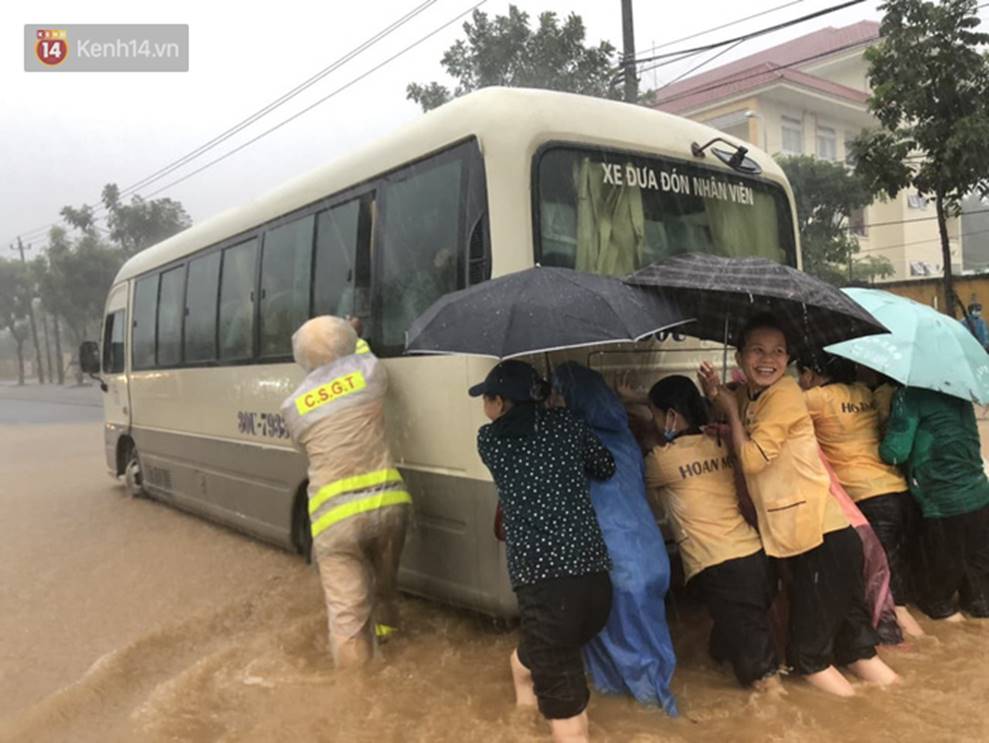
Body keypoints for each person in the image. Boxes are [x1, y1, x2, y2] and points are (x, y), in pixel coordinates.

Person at [698, 314, 898, 697]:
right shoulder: (755, 396)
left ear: (789, 358)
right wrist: (718, 397)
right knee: (855, 651)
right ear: (739, 357)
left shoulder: (786, 394)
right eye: (757, 350)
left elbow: (753, 460)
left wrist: (727, 406)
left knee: (809, 660)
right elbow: (735, 404)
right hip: (831, 538)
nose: (767, 359)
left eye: (778, 352)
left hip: (821, 543)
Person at [472, 360, 614, 743]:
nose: (484, 407)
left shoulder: (489, 440)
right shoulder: (568, 425)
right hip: (595, 579)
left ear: (500, 403)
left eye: (487, 399)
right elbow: (605, 467)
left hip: (543, 585)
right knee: (541, 657)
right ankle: (522, 717)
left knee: (564, 702)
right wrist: (560, 413)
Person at [281, 316, 412, 667]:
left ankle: (359, 701)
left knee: (348, 622)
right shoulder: (369, 374)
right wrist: (355, 332)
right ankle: (393, 642)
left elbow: (305, 449)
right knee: (385, 591)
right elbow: (361, 352)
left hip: (335, 520)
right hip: (390, 506)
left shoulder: (293, 407)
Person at [551, 362, 678, 715]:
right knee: (651, 647)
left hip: (618, 566)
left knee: (625, 663)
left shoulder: (574, 442)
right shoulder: (625, 435)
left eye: (561, 393)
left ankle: (654, 722)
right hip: (652, 556)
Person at [644, 375, 781, 692]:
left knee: (765, 680)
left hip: (721, 568)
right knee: (723, 652)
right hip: (756, 558)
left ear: (671, 416)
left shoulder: (663, 461)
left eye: (655, 413)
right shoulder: (720, 441)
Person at [797, 352, 924, 638]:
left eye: (801, 373)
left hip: (868, 498)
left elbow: (779, 412)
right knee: (896, 584)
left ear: (810, 373)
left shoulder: (816, 399)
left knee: (883, 592)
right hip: (897, 491)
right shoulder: (864, 391)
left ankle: (906, 651)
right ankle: (928, 642)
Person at [880, 385, 989, 621]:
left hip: (943, 506)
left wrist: (885, 423)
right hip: (981, 498)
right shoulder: (960, 393)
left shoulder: (908, 396)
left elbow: (894, 453)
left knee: (937, 603)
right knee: (979, 601)